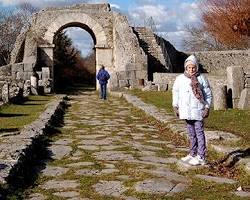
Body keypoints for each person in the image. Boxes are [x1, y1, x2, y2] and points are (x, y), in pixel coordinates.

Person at [172, 55, 212, 166]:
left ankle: (201, 156)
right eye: (189, 67)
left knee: (199, 133)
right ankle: (193, 153)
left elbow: (208, 94)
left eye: (193, 67)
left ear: (197, 67)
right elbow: (176, 92)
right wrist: (175, 106)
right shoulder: (180, 79)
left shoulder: (201, 78)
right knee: (191, 133)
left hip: (198, 109)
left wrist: (207, 107)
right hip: (186, 110)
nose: (191, 70)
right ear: (186, 67)